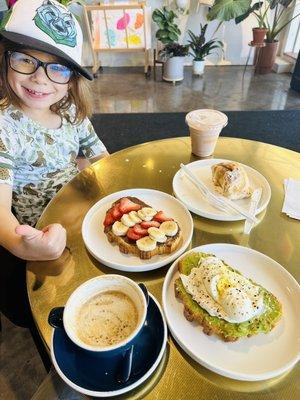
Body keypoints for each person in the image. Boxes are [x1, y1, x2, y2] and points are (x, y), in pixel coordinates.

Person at [0, 0, 108, 335]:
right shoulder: (4, 126)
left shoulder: (72, 112)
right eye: (25, 59)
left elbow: (104, 159)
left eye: (57, 67)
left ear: (72, 78)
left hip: (80, 217)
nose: (39, 78)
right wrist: (19, 244)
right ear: (5, 57)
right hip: (38, 235)